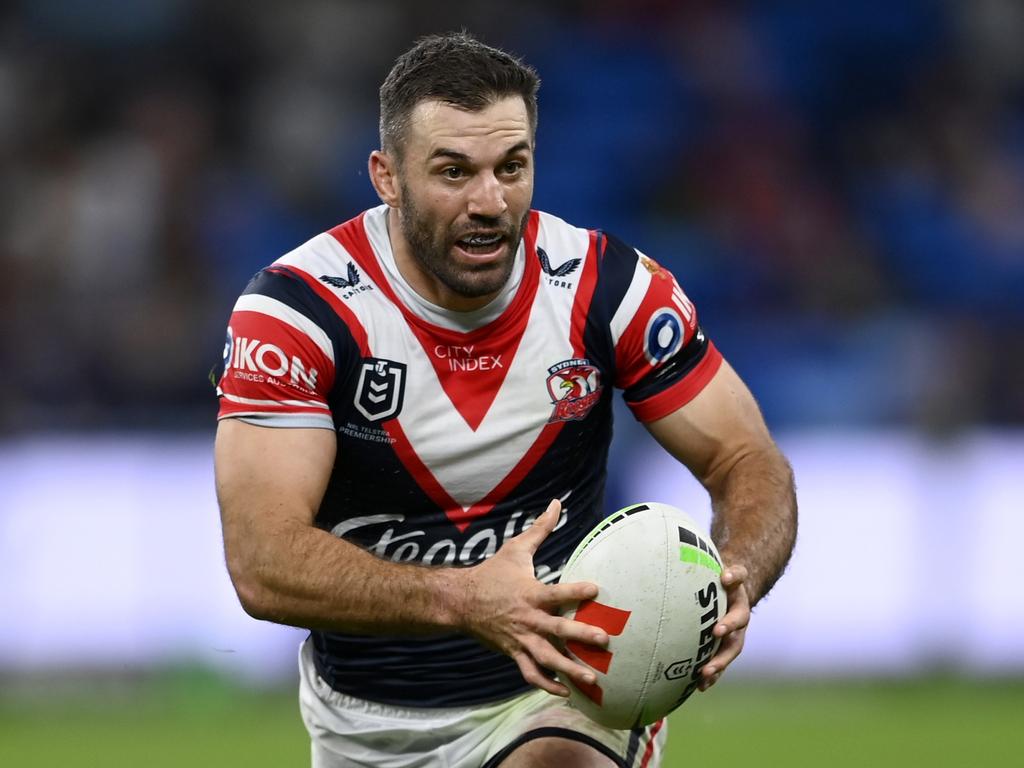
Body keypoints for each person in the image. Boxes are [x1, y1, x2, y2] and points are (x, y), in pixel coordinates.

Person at [213, 31, 797, 768]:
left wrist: (738, 572)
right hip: (367, 728)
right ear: (386, 177)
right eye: (453, 172)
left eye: (511, 168)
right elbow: (261, 562)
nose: (489, 202)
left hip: (566, 696)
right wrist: (464, 598)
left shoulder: (606, 289)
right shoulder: (302, 315)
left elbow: (748, 456)